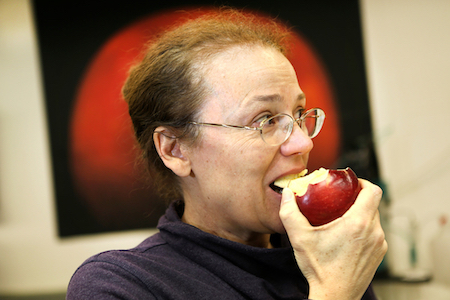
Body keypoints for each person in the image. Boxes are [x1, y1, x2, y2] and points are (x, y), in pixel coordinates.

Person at [67, 8, 387, 300]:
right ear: (175, 149)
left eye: (300, 113)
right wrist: (336, 289)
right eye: (265, 120)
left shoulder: (330, 252)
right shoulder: (120, 285)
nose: (303, 143)